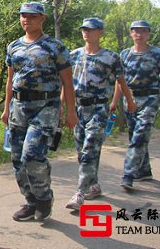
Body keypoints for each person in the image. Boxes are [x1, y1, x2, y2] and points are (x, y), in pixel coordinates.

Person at [1, 1, 77, 222]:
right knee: (17, 160)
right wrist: (6, 108)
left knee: (32, 155)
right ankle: (30, 201)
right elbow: (9, 80)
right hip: (19, 107)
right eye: (23, 16)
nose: (26, 20)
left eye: (32, 16)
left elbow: (67, 81)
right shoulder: (14, 46)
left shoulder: (55, 46)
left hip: (46, 107)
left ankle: (44, 197)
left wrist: (70, 112)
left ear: (42, 18)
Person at [64, 18, 136, 211]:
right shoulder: (73, 56)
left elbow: (121, 81)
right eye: (84, 29)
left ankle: (79, 192)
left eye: (91, 29)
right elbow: (67, 84)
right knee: (83, 152)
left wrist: (129, 101)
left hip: (98, 108)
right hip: (79, 108)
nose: (86, 32)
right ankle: (93, 185)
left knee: (90, 148)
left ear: (100, 32)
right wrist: (62, 107)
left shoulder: (110, 57)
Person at [113, 20, 160, 190]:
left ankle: (128, 174)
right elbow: (119, 81)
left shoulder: (157, 54)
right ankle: (144, 171)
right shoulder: (124, 55)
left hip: (150, 98)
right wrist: (115, 101)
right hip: (130, 99)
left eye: (143, 31)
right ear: (131, 33)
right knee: (134, 135)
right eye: (136, 31)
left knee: (140, 135)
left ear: (148, 34)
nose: (139, 34)